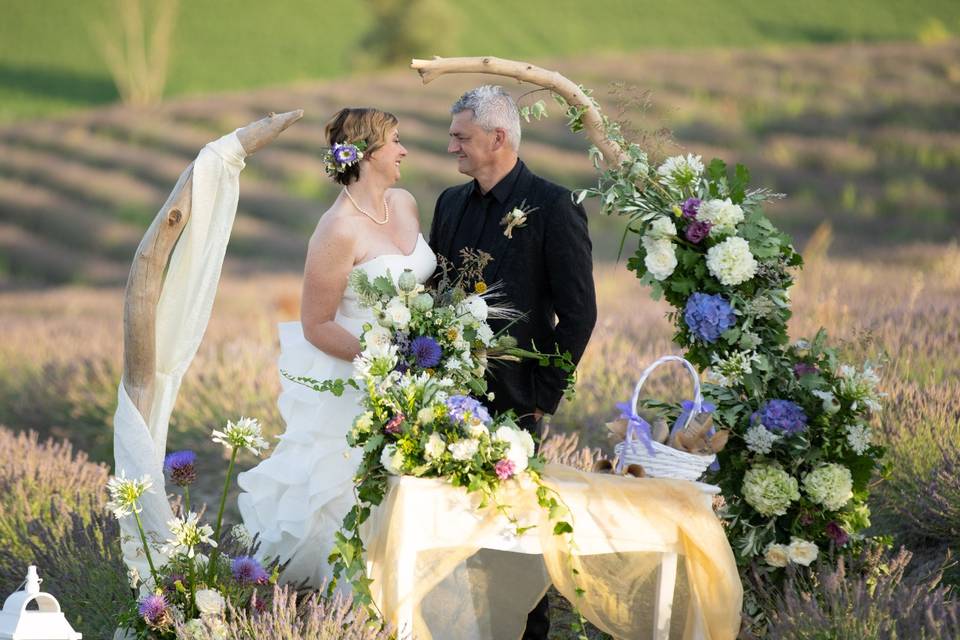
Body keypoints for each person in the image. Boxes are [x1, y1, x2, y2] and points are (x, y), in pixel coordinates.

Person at [237, 107, 436, 589]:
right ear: (367, 154)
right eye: (395, 141)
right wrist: (381, 362)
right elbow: (316, 323)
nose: (404, 150)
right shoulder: (337, 228)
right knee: (350, 497)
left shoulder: (405, 203)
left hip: (420, 376)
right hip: (358, 383)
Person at [428, 85, 598, 640]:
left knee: (515, 538)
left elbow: (578, 316)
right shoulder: (449, 204)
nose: (451, 146)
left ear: (498, 138)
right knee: (446, 539)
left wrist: (542, 396)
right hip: (443, 403)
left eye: (461, 136)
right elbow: (436, 296)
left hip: (515, 404)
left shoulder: (555, 206)